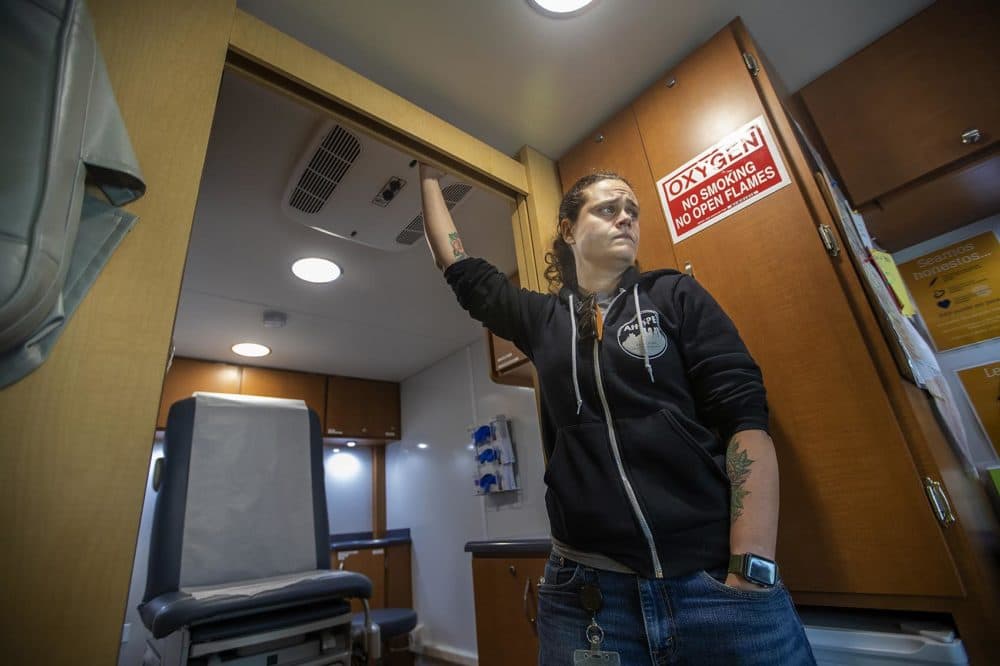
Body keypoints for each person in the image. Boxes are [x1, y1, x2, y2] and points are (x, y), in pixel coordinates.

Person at [419, 164, 815, 665]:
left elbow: (745, 422)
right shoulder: (542, 320)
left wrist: (750, 571)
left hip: (713, 583)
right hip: (588, 597)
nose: (626, 217)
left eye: (633, 210)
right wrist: (428, 168)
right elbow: (456, 263)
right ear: (568, 229)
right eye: (608, 208)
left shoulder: (675, 296)